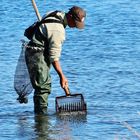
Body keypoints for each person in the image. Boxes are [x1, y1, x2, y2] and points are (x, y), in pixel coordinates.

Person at [25, 6, 86, 114]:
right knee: (43, 88)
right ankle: (41, 119)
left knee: (42, 85)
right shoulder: (58, 31)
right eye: (75, 23)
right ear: (70, 16)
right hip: (37, 55)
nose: (75, 27)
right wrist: (62, 76)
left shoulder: (56, 13)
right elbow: (54, 57)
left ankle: (39, 117)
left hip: (35, 51)